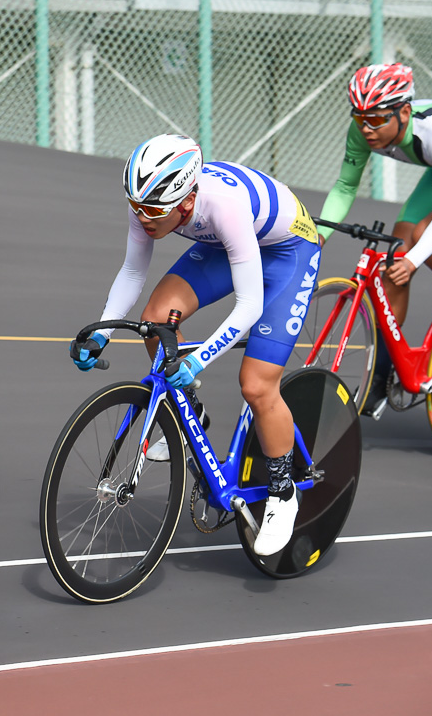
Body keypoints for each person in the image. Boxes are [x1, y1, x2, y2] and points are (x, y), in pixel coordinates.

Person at [70, 134, 322, 557]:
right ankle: (193, 412)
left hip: (288, 253)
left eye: (152, 211)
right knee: (155, 322)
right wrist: (101, 333)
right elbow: (133, 272)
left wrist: (199, 359)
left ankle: (282, 492)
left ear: (186, 205)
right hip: (228, 246)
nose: (142, 217)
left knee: (257, 384)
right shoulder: (149, 202)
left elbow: (249, 306)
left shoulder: (222, 207)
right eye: (135, 206)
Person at [318, 63, 432, 412]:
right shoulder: (361, 129)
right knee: (393, 262)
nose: (367, 129)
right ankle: (383, 377)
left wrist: (414, 260)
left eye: (376, 119)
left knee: (423, 238)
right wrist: (318, 236)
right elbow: (344, 187)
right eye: (360, 119)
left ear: (404, 112)